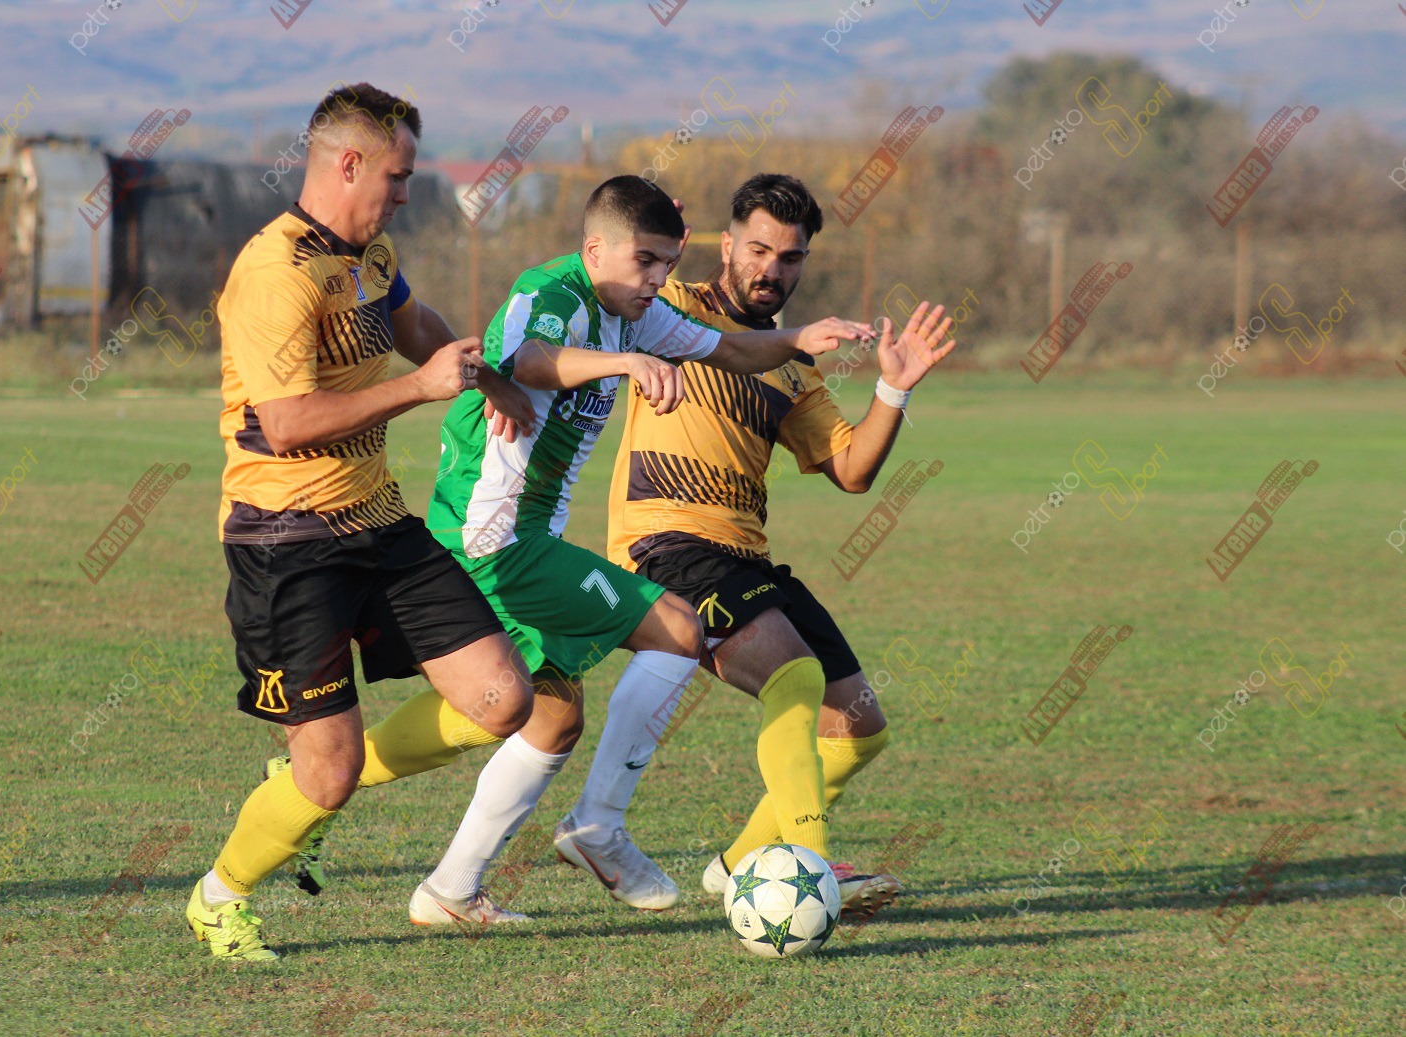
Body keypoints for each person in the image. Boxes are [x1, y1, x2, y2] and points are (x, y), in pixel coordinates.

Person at [357, 174, 879, 920]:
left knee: (546, 713)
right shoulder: (555, 292)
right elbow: (528, 359)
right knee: (673, 627)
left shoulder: (636, 313)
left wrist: (798, 338)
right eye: (645, 261)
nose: (659, 279)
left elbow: (729, 350)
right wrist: (624, 363)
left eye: (667, 263)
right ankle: (598, 826)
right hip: (490, 537)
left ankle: (442, 883)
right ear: (595, 248)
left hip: (526, 535)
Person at [184, 81, 539, 961]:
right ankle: (220, 895)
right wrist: (421, 389)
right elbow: (288, 423)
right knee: (330, 776)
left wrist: (486, 375)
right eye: (399, 175)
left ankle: (309, 777)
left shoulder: (370, 254)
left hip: (378, 522)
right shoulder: (274, 272)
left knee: (503, 698)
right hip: (286, 541)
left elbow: (416, 325)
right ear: (349, 164)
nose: (407, 193)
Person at [564, 173, 955, 913]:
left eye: (790, 256)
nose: (771, 268)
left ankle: (740, 863)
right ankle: (808, 862)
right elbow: (606, 283)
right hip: (666, 545)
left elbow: (852, 471)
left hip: (744, 557)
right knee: (794, 678)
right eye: (758, 249)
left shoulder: (793, 366)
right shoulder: (669, 310)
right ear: (725, 244)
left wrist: (894, 391)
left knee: (859, 728)